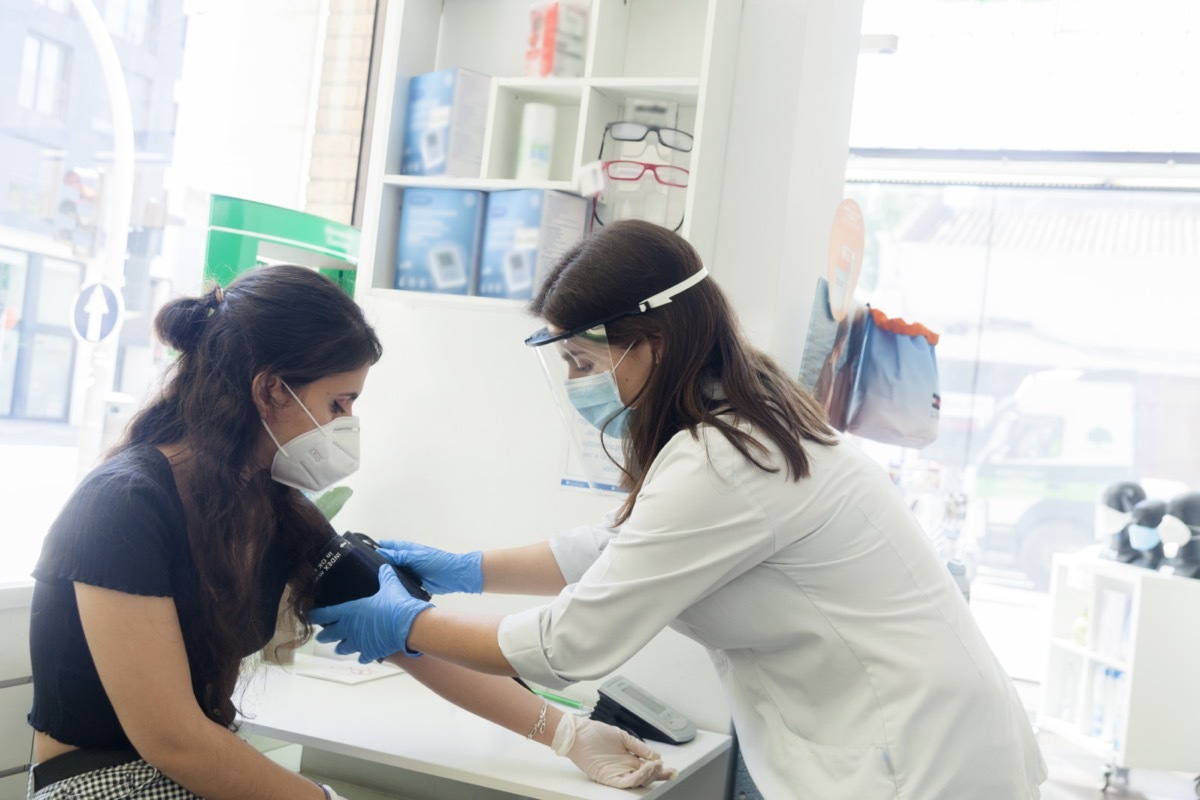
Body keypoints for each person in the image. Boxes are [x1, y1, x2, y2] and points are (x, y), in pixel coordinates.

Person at [311, 220, 1050, 799]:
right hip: (904, 738)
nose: (575, 384)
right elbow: (621, 550)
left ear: (653, 343)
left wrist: (405, 622)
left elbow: (565, 645)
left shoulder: (724, 460)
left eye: (582, 362)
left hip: (912, 762)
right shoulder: (739, 422)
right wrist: (464, 570)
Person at [26, 265, 671, 799]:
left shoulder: (273, 508)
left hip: (195, 770)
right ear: (270, 390)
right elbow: (169, 738)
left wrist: (566, 733)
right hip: (101, 779)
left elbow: (403, 637)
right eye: (341, 403)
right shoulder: (124, 506)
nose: (348, 424)